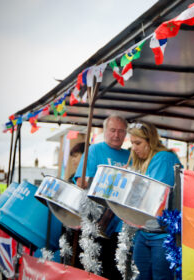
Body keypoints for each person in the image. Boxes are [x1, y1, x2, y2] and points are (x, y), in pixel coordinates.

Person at [74, 114, 130, 280]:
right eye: (112, 130)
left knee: (115, 270)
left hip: (121, 223)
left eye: (121, 131)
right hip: (98, 220)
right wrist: (84, 182)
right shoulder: (94, 150)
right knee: (95, 268)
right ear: (105, 131)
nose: (116, 135)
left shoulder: (130, 155)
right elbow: (81, 181)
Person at [127, 121, 181, 280]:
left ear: (150, 141)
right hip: (145, 231)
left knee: (160, 277)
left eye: (138, 143)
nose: (134, 148)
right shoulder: (144, 162)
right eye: (132, 143)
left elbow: (153, 197)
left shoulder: (163, 158)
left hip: (162, 234)